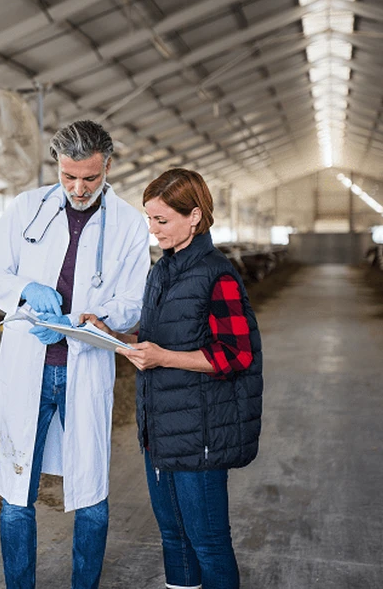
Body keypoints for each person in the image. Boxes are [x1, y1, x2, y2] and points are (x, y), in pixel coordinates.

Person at [0, 120, 150, 589]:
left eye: (90, 178)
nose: (78, 188)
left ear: (108, 167)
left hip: (85, 366)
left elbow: (135, 301)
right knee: (17, 493)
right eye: (68, 176)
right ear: (58, 165)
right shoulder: (25, 208)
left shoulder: (130, 225)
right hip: (27, 367)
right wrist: (25, 290)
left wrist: (97, 318)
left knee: (91, 494)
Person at [83, 168, 263, 589]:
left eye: (161, 220)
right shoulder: (162, 271)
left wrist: (163, 357)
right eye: (149, 219)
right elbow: (156, 339)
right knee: (174, 539)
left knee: (209, 541)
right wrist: (113, 337)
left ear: (195, 216)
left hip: (199, 430)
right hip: (160, 427)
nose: (152, 229)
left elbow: (237, 355)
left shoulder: (218, 275)